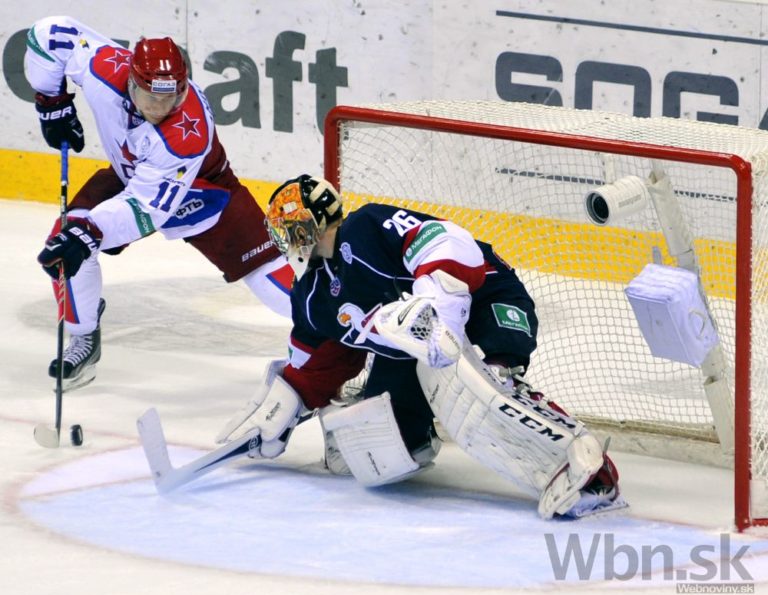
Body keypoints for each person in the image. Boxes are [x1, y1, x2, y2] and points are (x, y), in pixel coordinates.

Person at [216, 174, 626, 520]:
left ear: (317, 221)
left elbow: (450, 242)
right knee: (379, 449)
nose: (287, 240)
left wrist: (438, 312)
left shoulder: (366, 228)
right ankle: (424, 424)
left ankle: (590, 471)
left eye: (292, 228)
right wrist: (282, 408)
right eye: (282, 232)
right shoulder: (310, 293)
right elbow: (321, 362)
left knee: (482, 388)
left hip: (485, 296)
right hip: (415, 353)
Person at [25, 17, 293, 389]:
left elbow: (144, 210)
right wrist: (50, 102)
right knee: (66, 242)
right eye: (152, 96)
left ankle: (337, 330)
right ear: (131, 82)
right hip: (133, 176)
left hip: (205, 190)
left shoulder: (186, 134)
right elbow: (49, 34)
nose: (161, 106)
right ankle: (84, 336)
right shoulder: (104, 67)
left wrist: (90, 232)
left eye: (171, 97)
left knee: (269, 277)